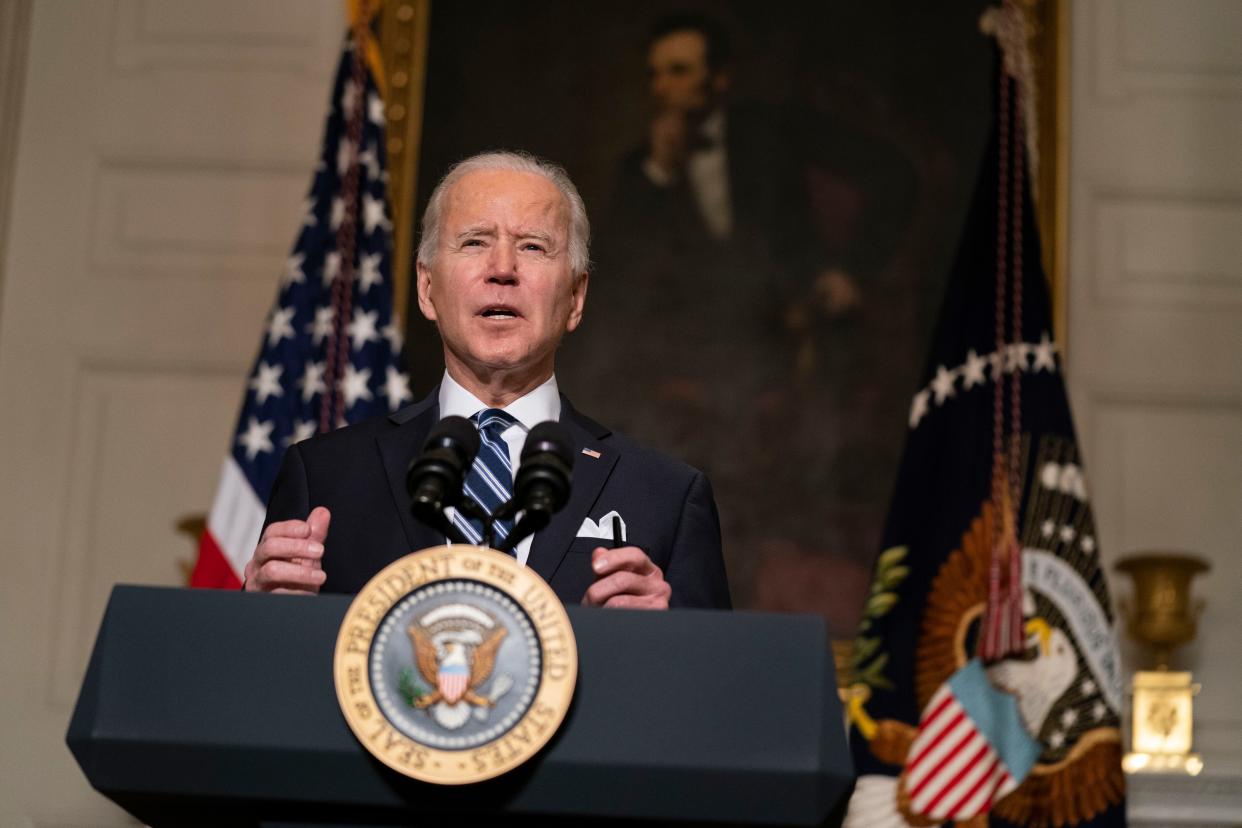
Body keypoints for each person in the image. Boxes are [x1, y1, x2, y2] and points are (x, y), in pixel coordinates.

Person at [243, 151, 731, 610]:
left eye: (533, 246)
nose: (502, 270)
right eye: (475, 241)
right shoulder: (325, 477)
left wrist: (668, 641)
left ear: (576, 297)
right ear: (427, 287)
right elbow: (265, 678)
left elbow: (716, 689)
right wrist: (260, 617)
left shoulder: (665, 497)